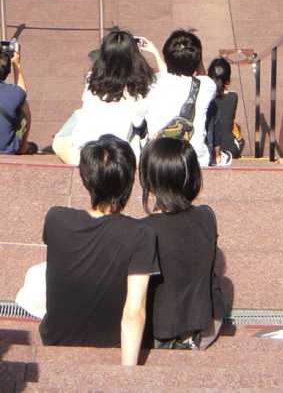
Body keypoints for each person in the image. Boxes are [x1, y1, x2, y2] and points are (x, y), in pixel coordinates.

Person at [39, 136, 158, 365]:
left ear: (86, 178)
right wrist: (128, 372)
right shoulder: (141, 234)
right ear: (129, 180)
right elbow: (135, 312)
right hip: (110, 343)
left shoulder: (56, 218)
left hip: (55, 340)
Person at [139, 136, 225, 348]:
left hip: (162, 334)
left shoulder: (144, 230)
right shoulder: (207, 216)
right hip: (206, 327)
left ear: (150, 182)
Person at [59, 30, 156, 165]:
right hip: (117, 154)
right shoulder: (141, 88)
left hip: (83, 152)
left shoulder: (91, 79)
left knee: (76, 116)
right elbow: (139, 122)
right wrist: (155, 53)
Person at [144, 30, 218, 168]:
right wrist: (199, 60)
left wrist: (155, 53)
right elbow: (203, 76)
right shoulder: (206, 86)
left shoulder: (151, 84)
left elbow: (165, 75)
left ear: (166, 57)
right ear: (197, 61)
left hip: (157, 159)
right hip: (193, 159)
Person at [205, 57, 242, 165]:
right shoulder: (233, 96)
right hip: (230, 149)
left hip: (209, 146)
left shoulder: (205, 96)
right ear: (228, 80)